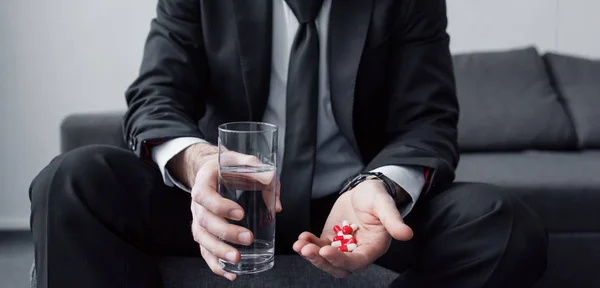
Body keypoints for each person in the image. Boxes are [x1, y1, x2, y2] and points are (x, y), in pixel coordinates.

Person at [29, 0, 548, 287]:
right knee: (70, 183)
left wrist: (379, 186)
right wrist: (200, 162)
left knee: (503, 224)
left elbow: (428, 121)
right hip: (228, 202)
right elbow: (155, 95)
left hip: (350, 213)